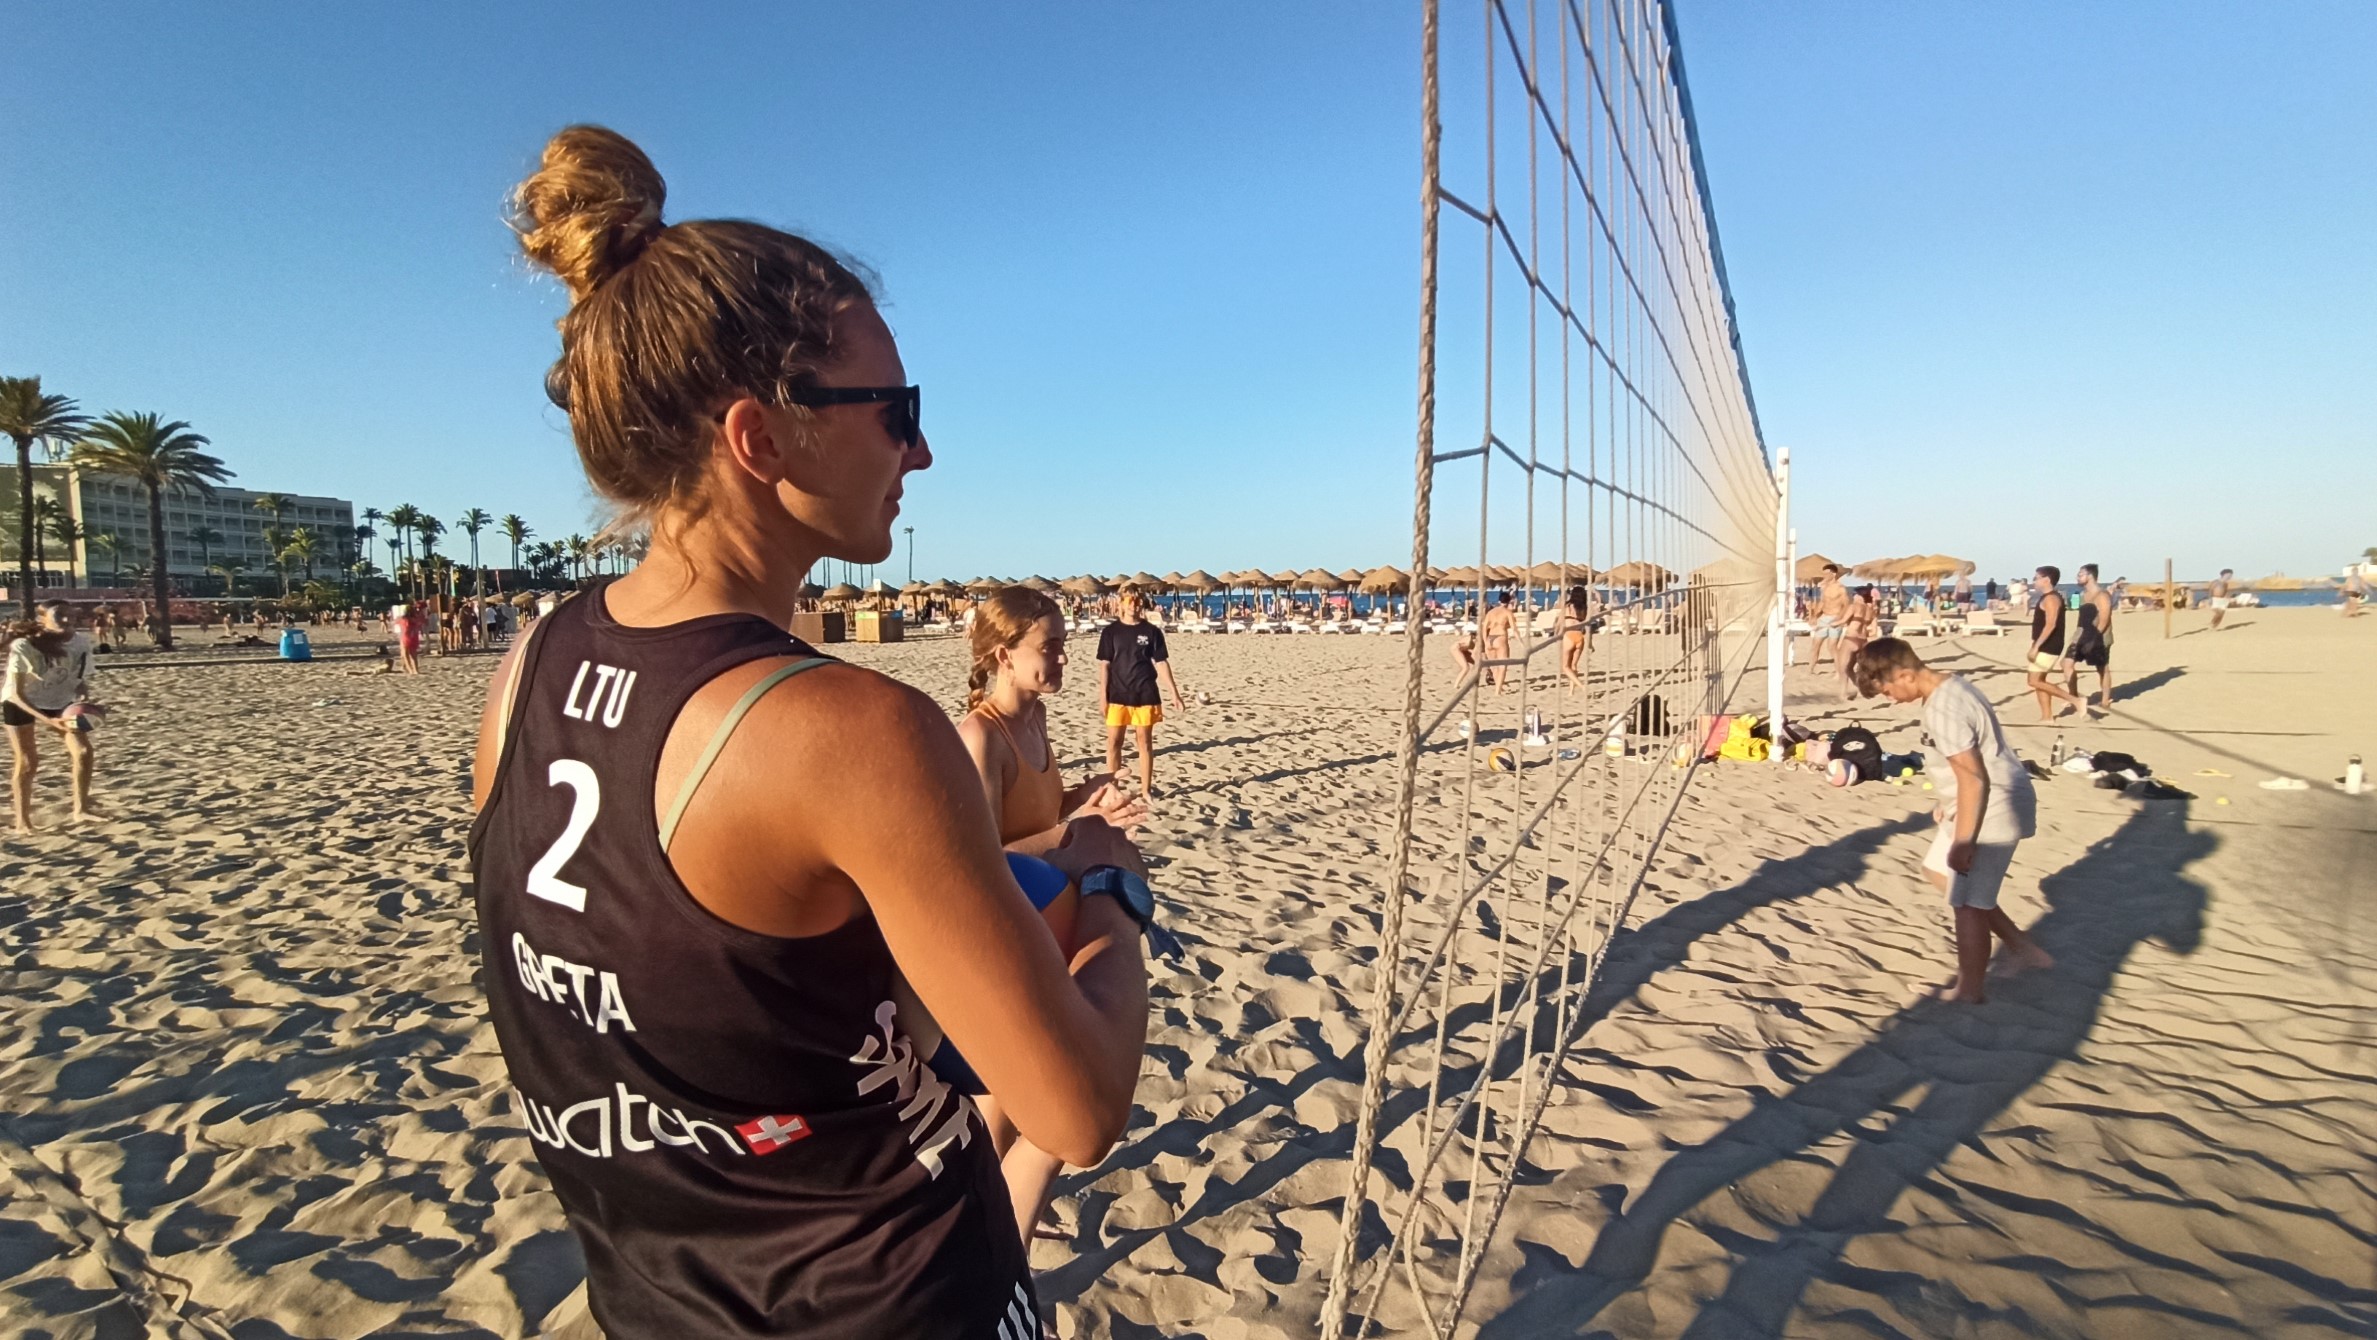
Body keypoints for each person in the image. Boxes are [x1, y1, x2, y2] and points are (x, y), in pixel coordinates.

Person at [471, 125, 1156, 1338]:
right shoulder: (846, 730)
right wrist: (1107, 883)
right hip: (894, 1294)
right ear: (760, 438)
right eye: (894, 408)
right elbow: (1080, 1106)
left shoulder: (529, 666)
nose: (921, 448)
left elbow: (720, 986)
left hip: (658, 1299)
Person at [954, 585, 1149, 1247]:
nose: (1063, 659)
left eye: (1064, 645)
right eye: (1051, 648)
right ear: (1004, 655)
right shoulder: (981, 735)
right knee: (1018, 1111)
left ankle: (988, 1234)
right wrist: (1074, 840)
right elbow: (978, 861)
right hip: (1012, 939)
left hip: (1052, 920)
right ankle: (984, 1243)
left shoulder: (1033, 719)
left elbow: (1039, 816)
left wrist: (1081, 801)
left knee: (1023, 1113)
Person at [1852, 638, 2052, 1004]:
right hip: (1973, 800)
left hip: (1994, 805)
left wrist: (1963, 842)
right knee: (1937, 872)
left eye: (1887, 691)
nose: (1890, 699)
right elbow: (1966, 766)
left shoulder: (1944, 709)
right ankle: (2023, 948)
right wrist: (1947, 803)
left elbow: (1974, 777)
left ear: (1906, 674)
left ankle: (1969, 991)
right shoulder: (1949, 687)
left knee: (1968, 904)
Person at [5, 600, 101, 831]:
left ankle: (81, 810)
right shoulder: (24, 645)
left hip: (60, 701)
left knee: (84, 752)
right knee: (28, 762)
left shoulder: (80, 642)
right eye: (60, 616)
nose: (68, 621)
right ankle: (23, 822)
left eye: (72, 616)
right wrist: (49, 721)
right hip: (22, 703)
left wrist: (82, 697)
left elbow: (78, 678)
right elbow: (16, 694)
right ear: (43, 620)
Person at [1098, 588, 1188, 797]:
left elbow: (1161, 662)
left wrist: (1174, 693)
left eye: (1137, 602)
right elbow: (1105, 665)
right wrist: (1102, 696)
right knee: (1114, 742)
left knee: (1144, 741)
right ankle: (1113, 788)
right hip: (1117, 694)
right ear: (1120, 603)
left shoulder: (1152, 632)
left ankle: (1145, 790)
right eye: (1129, 601)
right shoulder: (1110, 632)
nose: (1133, 605)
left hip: (1145, 693)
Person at [2023, 566, 2088, 722]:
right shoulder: (2048, 597)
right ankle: (2047, 716)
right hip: (2046, 644)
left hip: (2048, 646)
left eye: (2036, 578)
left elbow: (2050, 625)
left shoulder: (2051, 598)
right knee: (2040, 681)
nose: (2034, 581)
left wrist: (2036, 647)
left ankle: (2076, 700)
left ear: (2046, 579)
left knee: (2034, 680)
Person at [2064, 564, 2115, 709]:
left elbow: (2105, 618)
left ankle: (2105, 700)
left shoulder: (2102, 595)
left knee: (2101, 668)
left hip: (2099, 636)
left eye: (2080, 574)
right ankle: (2073, 697)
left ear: (2090, 576)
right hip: (2081, 635)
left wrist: (2095, 639)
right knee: (2066, 664)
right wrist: (2071, 598)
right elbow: (2072, 608)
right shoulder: (2082, 595)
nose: (2077, 577)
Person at [1837, 585, 1878, 701]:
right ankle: (1861, 689)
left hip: (1851, 638)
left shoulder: (1854, 606)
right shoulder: (1870, 610)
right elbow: (1873, 631)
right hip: (1863, 640)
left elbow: (1843, 621)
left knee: (1843, 668)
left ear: (1858, 596)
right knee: (1851, 668)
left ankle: (1843, 693)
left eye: (1854, 594)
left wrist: (1827, 625)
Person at [1811, 564, 1850, 668]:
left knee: (1832, 647)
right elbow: (1822, 603)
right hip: (1824, 618)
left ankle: (1839, 671)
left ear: (1833, 574)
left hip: (1835, 617)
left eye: (1827, 574)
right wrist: (1814, 616)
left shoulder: (1841, 588)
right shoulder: (1824, 587)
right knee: (1815, 644)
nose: (1824, 576)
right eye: (1823, 574)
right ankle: (1811, 669)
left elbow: (1846, 605)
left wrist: (1839, 618)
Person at [1478, 590, 1517, 693]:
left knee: (1494, 666)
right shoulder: (1507, 612)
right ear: (1509, 601)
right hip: (1500, 638)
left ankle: (1499, 687)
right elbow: (1514, 629)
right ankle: (1497, 691)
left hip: (1490, 638)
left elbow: (1484, 627)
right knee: (1503, 665)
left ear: (1499, 600)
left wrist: (1485, 641)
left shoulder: (1491, 612)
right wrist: (1521, 641)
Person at [1557, 584, 1594, 690]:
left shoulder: (1567, 606)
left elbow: (1559, 622)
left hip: (1569, 635)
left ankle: (1582, 686)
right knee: (1573, 666)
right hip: (1580, 637)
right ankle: (1571, 691)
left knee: (1565, 667)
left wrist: (1556, 634)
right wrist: (1590, 643)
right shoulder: (1584, 608)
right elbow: (1588, 627)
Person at [392, 603, 422, 675]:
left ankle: (410, 670)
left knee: (405, 654)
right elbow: (420, 623)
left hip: (405, 636)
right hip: (414, 636)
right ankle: (416, 669)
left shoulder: (403, 619)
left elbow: (395, 622)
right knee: (413, 655)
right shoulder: (415, 619)